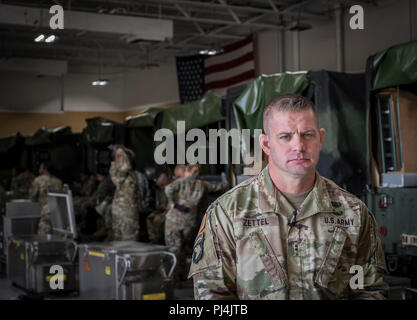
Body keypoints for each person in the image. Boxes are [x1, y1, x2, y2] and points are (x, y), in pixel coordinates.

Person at [188, 94, 388, 300]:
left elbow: (369, 291)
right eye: (285, 136)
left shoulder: (353, 212)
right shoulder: (228, 212)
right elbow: (212, 294)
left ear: (320, 139)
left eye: (307, 135)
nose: (299, 146)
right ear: (266, 144)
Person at [165, 164, 229, 287]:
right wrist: (225, 179)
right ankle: (183, 274)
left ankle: (174, 279)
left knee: (174, 249)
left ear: (187, 171)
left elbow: (168, 189)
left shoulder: (181, 182)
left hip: (174, 221)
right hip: (190, 221)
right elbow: (220, 186)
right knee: (182, 248)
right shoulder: (202, 184)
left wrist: (173, 204)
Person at [109, 146, 141, 241]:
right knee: (118, 240)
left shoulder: (127, 174)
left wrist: (120, 152)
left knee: (129, 241)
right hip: (120, 213)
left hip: (127, 214)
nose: (117, 159)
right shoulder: (122, 175)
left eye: (120, 157)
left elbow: (125, 167)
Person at [30, 162, 64, 235]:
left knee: (43, 236)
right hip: (57, 212)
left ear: (44, 169)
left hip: (45, 212)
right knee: (57, 235)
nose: (39, 169)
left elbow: (32, 196)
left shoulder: (38, 180)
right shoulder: (58, 181)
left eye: (40, 168)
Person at [146, 169, 172, 245]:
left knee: (157, 220)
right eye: (160, 186)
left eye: (163, 185)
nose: (162, 187)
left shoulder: (173, 188)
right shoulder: (161, 190)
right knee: (149, 218)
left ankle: (158, 240)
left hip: (172, 212)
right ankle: (153, 239)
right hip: (163, 211)